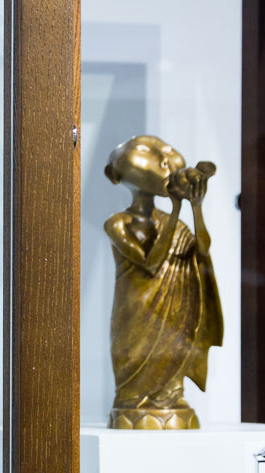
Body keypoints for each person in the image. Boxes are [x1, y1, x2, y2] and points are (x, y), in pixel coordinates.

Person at [103, 134, 223, 430]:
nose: (163, 160)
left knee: (171, 380)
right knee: (132, 388)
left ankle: (167, 399)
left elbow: (203, 250)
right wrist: (177, 207)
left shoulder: (175, 225)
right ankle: (135, 404)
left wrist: (196, 208)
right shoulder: (117, 223)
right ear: (114, 175)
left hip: (173, 318)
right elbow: (152, 262)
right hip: (136, 315)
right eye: (143, 151)